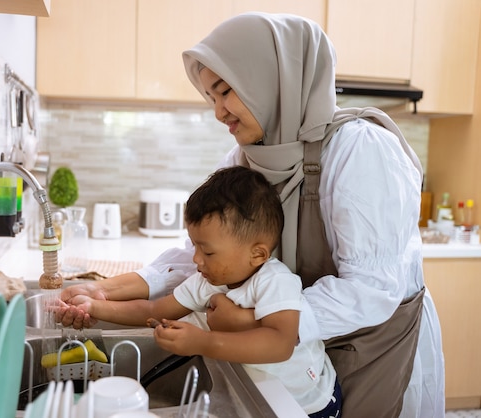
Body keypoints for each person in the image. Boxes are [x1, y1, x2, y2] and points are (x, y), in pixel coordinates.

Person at [57, 12, 445, 418]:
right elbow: (205, 256)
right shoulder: (248, 157)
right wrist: (105, 293)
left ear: (273, 80)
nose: (218, 111)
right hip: (293, 357)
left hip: (371, 348)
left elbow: (370, 290)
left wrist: (252, 322)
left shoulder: (360, 150)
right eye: (210, 97)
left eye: (225, 91)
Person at [60, 166, 342, 417]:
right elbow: (153, 310)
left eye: (206, 250)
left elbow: (280, 343)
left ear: (257, 254)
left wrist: (203, 342)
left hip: (308, 404)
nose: (196, 259)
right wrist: (95, 306)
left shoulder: (275, 281)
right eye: (194, 246)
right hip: (260, 390)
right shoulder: (207, 280)